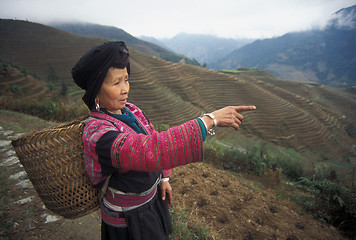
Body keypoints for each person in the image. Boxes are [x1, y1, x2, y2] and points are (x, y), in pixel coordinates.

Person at [71, 41, 256, 240]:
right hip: (128, 219)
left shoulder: (131, 111)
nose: (125, 89)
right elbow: (146, 150)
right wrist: (209, 121)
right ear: (96, 91)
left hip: (150, 203)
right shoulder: (98, 134)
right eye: (117, 83)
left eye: (126, 80)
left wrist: (164, 177)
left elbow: (152, 134)